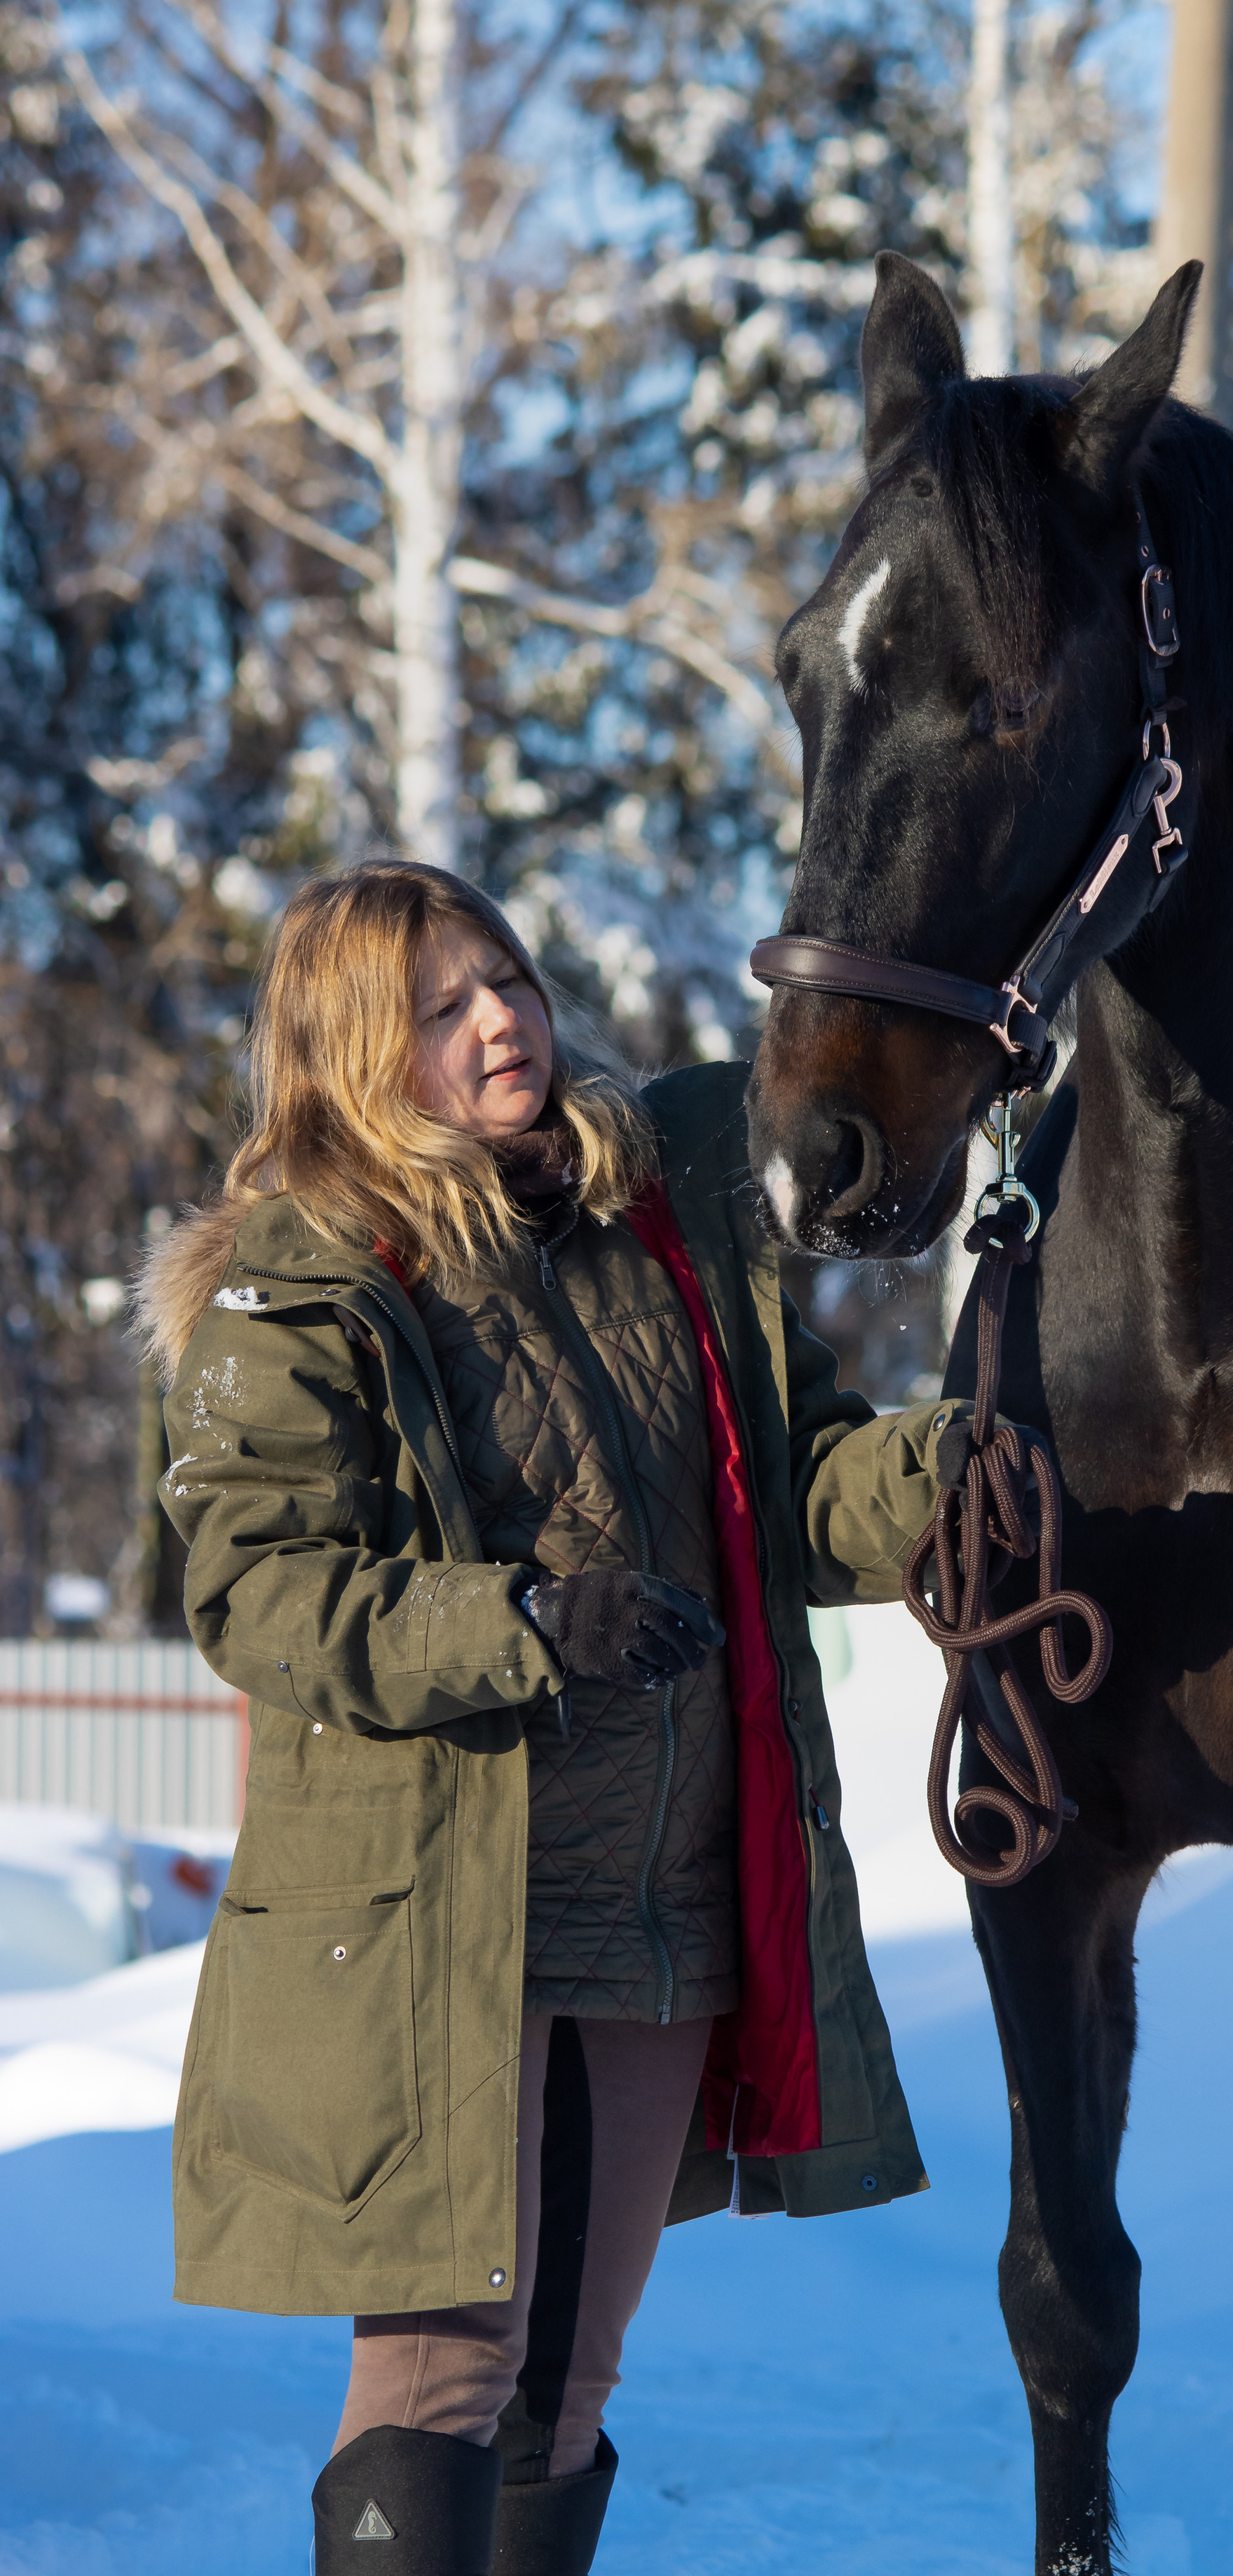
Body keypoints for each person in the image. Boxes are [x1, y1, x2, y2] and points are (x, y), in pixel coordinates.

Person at [137, 858, 983, 2576]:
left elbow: (794, 1489)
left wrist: (957, 1470)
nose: (498, 1023)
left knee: (570, 2388)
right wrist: (523, 1619)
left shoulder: (648, 1221)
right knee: (444, 2374)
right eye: (437, 1008)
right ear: (349, 1051)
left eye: (505, 980)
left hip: (659, 1903)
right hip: (446, 1917)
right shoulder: (298, 1282)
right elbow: (264, 1595)